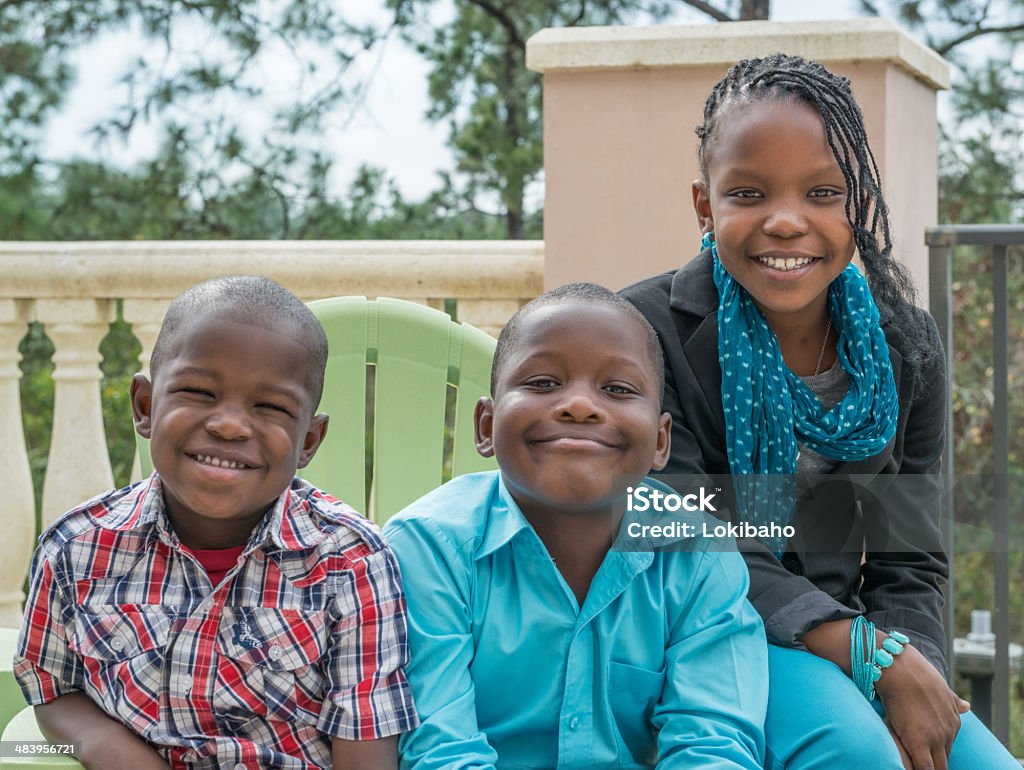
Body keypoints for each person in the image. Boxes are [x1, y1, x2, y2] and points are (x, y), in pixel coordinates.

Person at [621, 54, 1019, 770]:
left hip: (847, 640)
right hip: (703, 632)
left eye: (822, 193)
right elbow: (685, 531)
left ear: (856, 205)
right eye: (748, 193)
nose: (785, 221)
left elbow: (909, 558)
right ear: (704, 206)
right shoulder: (642, 333)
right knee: (857, 752)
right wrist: (867, 655)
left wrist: (909, 666)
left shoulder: (904, 346)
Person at [14, 276, 418, 770]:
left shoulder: (350, 561)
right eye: (199, 392)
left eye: (270, 406)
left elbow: (366, 746)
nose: (229, 424)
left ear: (309, 440)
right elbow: (51, 685)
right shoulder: (75, 548)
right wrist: (105, 746)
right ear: (144, 406)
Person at [383, 283, 768, 770]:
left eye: (618, 389)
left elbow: (713, 746)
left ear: (661, 442)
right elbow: (440, 751)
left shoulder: (700, 555)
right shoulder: (428, 548)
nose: (580, 405)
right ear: (485, 426)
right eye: (543, 383)